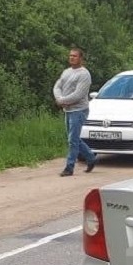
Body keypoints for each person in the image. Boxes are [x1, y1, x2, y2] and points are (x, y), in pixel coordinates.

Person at [53, 47, 97, 176]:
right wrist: (59, 99)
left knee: (73, 140)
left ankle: (69, 167)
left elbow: (78, 94)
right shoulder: (66, 72)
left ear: (81, 58)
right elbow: (57, 86)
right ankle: (91, 158)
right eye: (70, 55)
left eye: (75, 56)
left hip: (79, 110)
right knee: (73, 138)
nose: (72, 57)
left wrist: (62, 101)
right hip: (68, 110)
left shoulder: (84, 74)